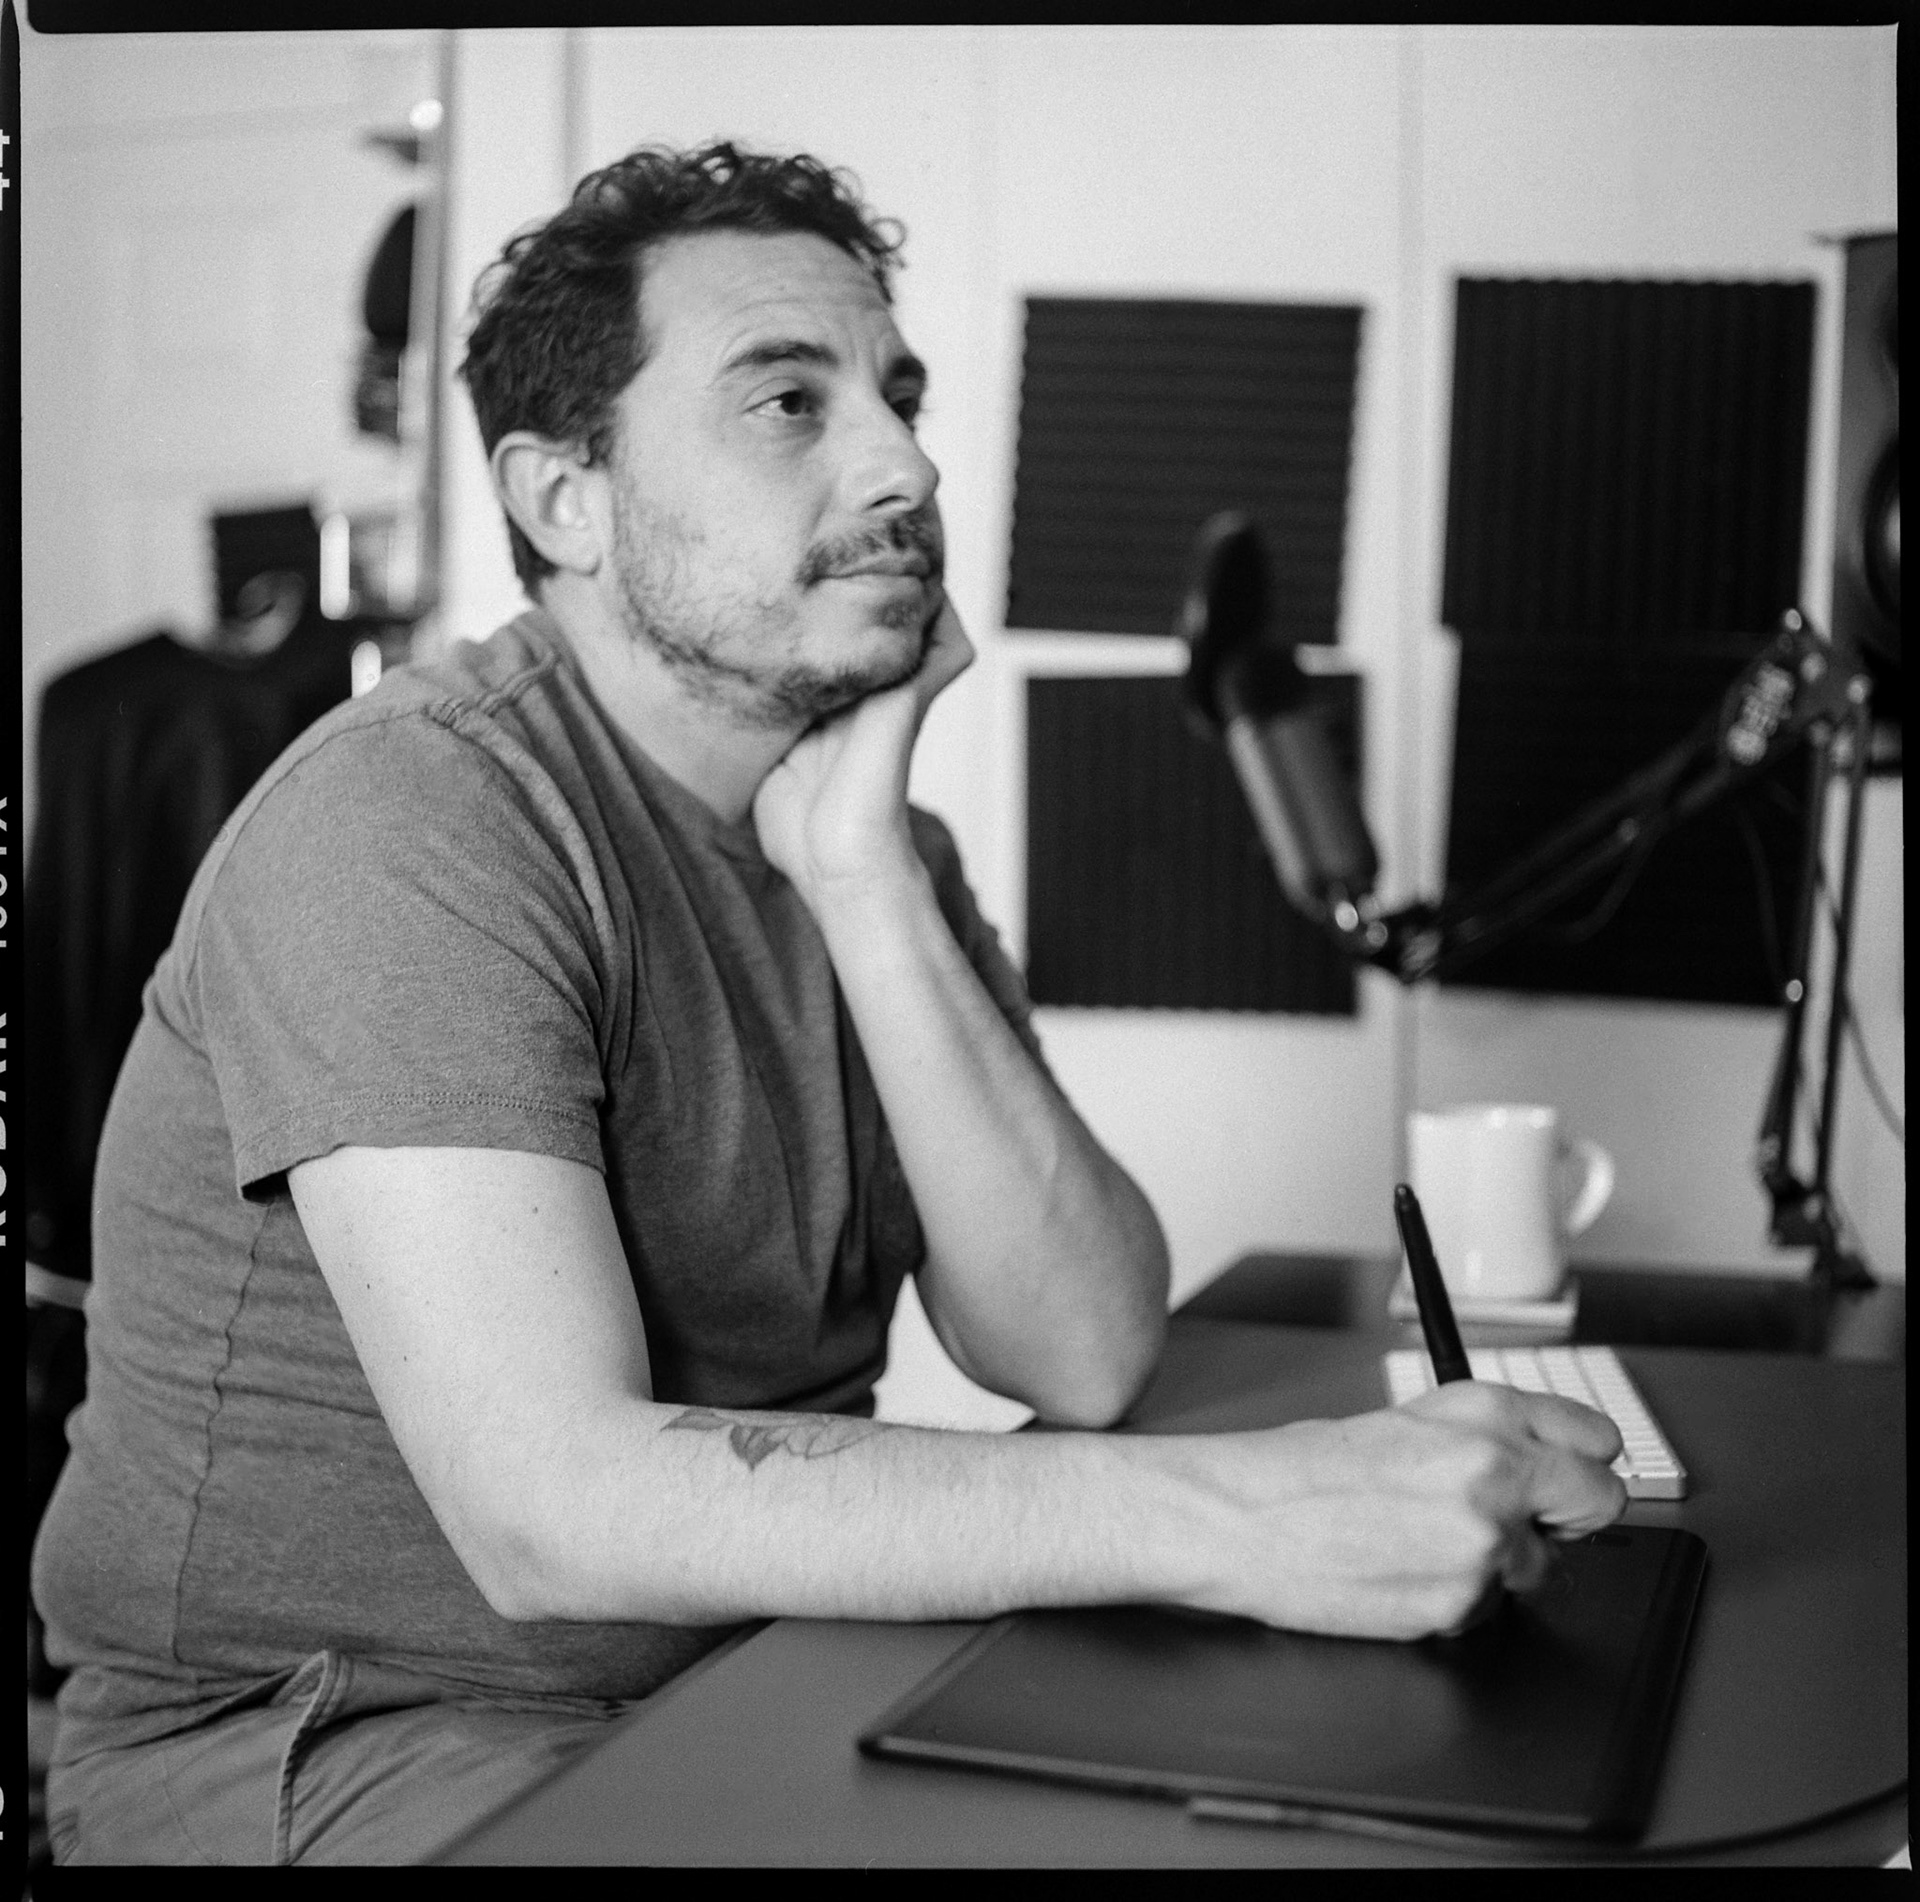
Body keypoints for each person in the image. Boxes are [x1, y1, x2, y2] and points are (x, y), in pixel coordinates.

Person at [31, 142, 1627, 1865]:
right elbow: (552, 1510)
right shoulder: (411, 819)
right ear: (566, 498)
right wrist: (1251, 1512)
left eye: (900, 396)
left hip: (749, 1678)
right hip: (337, 1741)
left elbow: (1083, 1349)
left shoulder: (870, 846)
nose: (907, 464)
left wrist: (863, 877)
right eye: (791, 401)